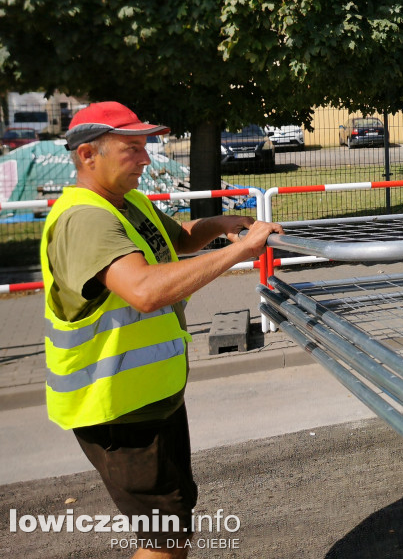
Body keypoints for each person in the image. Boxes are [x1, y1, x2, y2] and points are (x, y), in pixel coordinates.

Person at [41, 101, 283, 559]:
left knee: (172, 531)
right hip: (119, 411)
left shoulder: (124, 202)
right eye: (132, 148)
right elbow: (145, 291)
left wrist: (220, 225)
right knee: (165, 542)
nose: (147, 158)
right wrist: (241, 251)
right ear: (88, 155)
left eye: (145, 146)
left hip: (150, 399)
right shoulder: (86, 219)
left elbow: (177, 239)